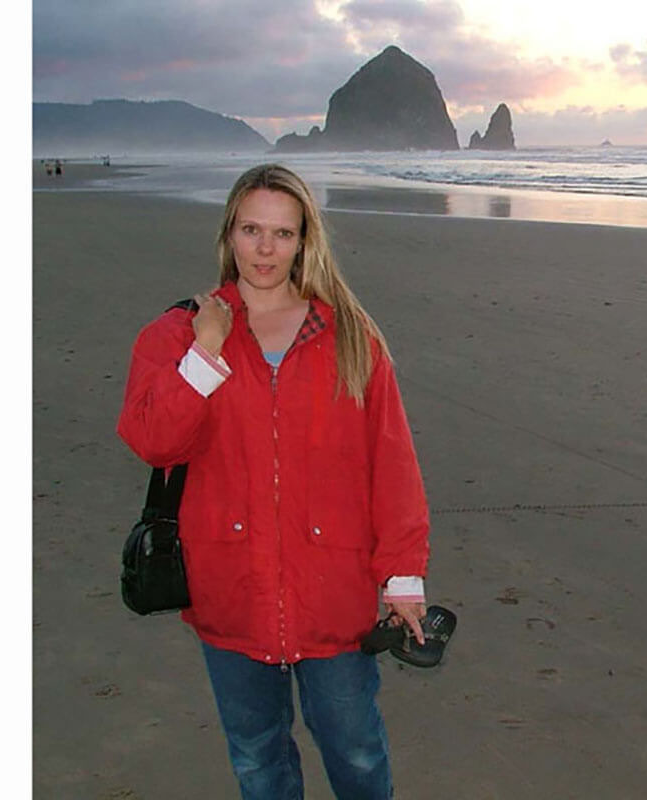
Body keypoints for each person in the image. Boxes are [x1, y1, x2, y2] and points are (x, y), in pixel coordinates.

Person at [117, 164, 431, 800]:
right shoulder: (177, 334)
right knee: (259, 759)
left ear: (304, 241)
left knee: (357, 753)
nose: (266, 249)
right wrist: (205, 353)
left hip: (333, 593)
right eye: (252, 229)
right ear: (228, 233)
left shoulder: (350, 338)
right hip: (230, 587)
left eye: (282, 233)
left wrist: (402, 579)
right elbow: (153, 439)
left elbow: (392, 464)